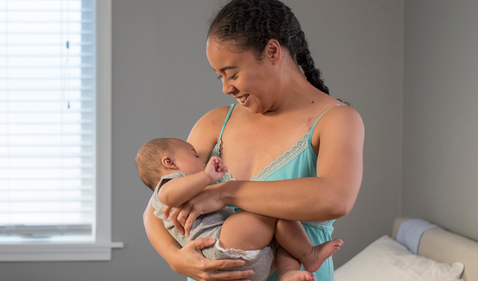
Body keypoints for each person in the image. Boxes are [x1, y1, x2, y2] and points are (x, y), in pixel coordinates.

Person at [141, 0, 365, 280]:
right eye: (219, 76)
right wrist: (175, 259)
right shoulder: (215, 123)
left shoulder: (337, 120)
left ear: (272, 51)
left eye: (232, 73)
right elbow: (157, 204)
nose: (225, 87)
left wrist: (226, 191)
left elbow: (335, 198)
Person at [135, 137, 343, 281]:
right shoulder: (169, 183)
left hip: (244, 259)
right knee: (269, 208)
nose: (202, 159)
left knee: (281, 233)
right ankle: (309, 255)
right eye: (195, 155)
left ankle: (289, 273)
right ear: (169, 162)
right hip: (217, 243)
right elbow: (167, 196)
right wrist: (207, 176)